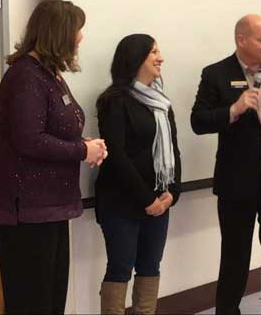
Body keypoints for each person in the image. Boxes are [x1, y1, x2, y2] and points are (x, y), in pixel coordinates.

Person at [0, 0, 107, 314]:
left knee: (50, 302)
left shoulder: (48, 74)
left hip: (50, 205)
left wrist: (82, 142)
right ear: (59, 33)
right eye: (77, 30)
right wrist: (81, 150)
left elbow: (47, 130)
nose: (80, 38)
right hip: (25, 208)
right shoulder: (26, 76)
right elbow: (29, 140)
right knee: (31, 304)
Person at [191, 14, 261, 315]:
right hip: (237, 181)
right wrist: (233, 109)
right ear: (241, 40)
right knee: (235, 258)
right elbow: (198, 121)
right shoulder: (216, 74)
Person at [95, 34, 181, 315]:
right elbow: (116, 156)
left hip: (159, 202)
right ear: (135, 58)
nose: (161, 58)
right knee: (120, 268)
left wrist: (172, 194)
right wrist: (147, 199)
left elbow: (174, 151)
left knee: (150, 267)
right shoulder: (113, 101)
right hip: (122, 201)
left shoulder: (161, 103)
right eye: (153, 52)